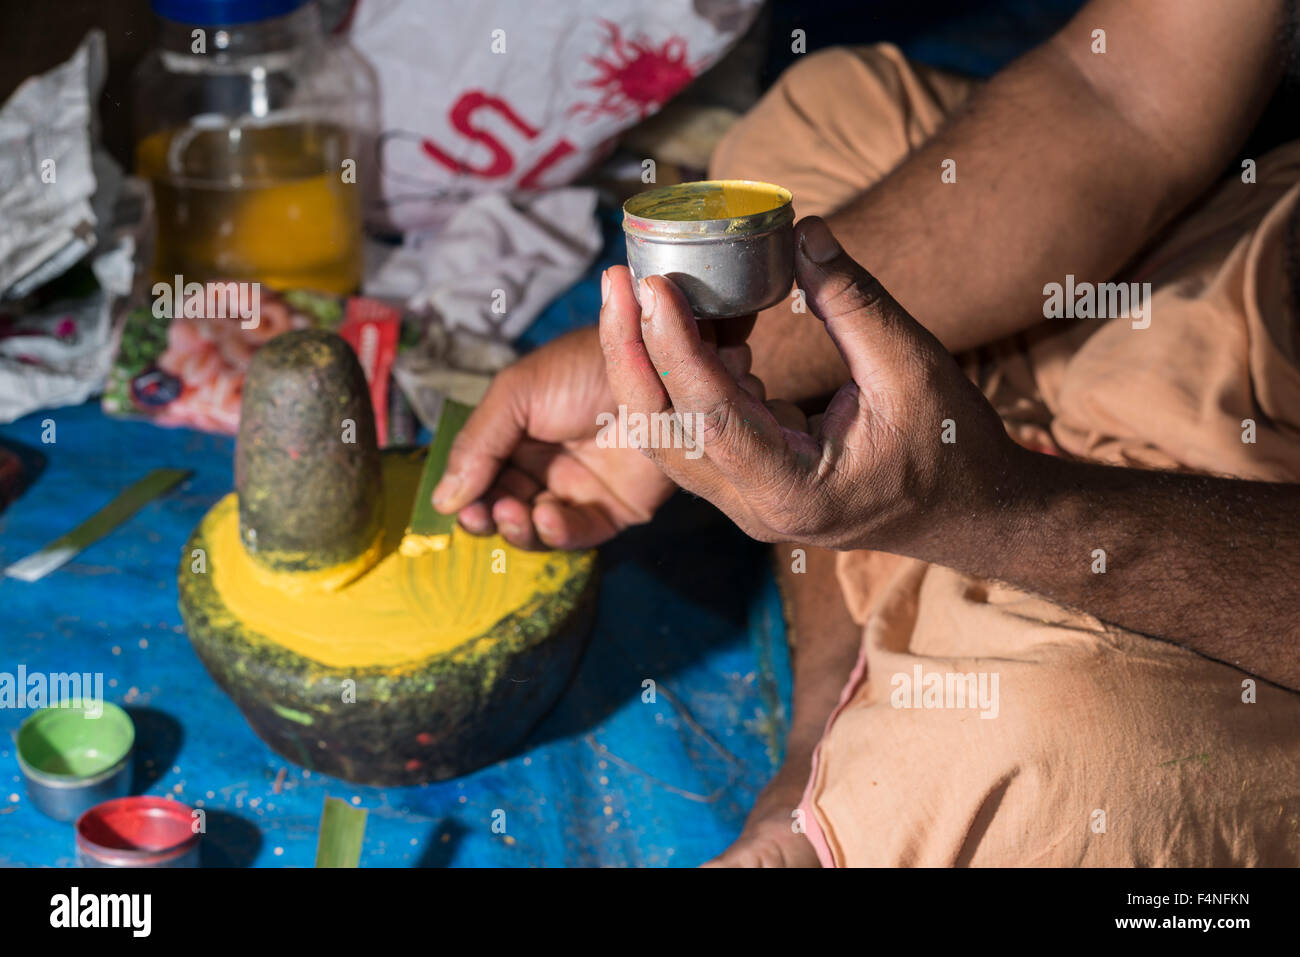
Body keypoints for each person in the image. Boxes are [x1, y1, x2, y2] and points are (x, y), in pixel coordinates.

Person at [432, 0, 1300, 866]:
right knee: (825, 115)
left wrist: (1002, 511)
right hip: (1237, 245)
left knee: (1061, 765)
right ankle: (829, 736)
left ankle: (874, 722)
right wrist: (676, 355)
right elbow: (1124, 91)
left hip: (1259, 486)